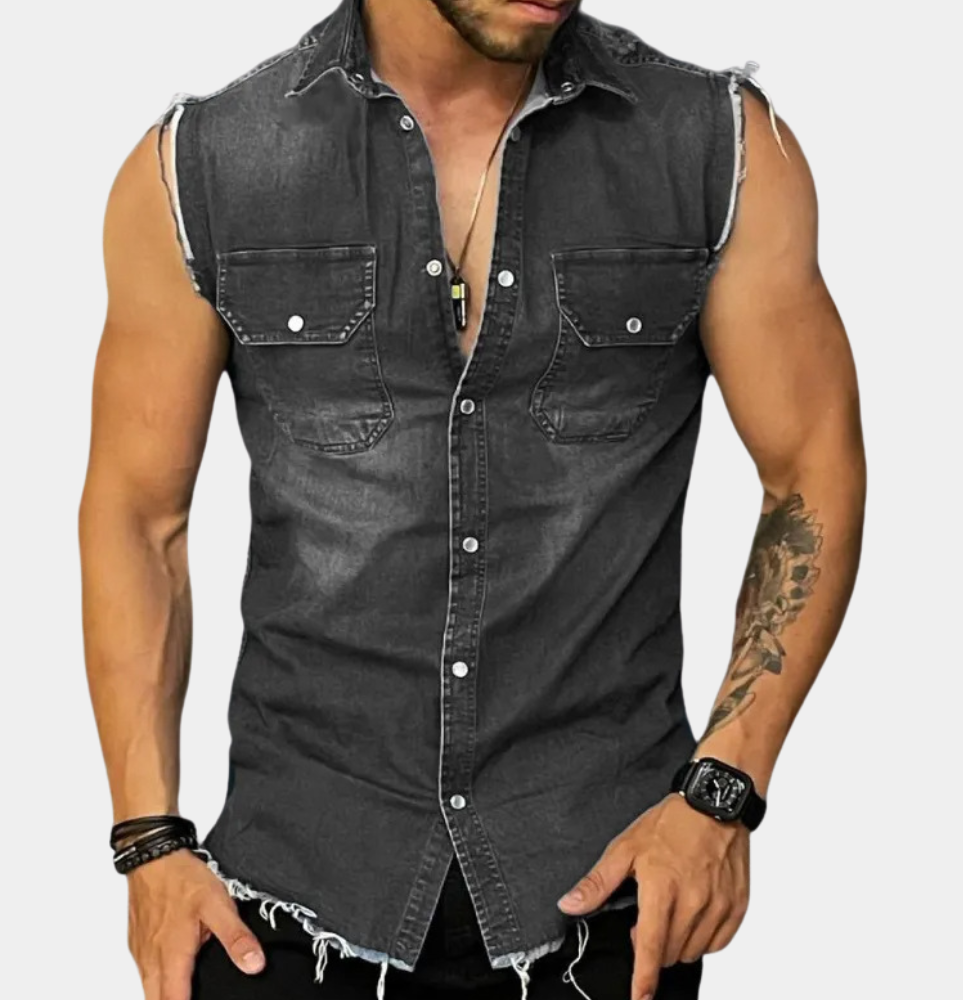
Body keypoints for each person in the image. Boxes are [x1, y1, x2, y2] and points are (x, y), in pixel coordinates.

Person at [78, 1, 866, 998]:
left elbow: (810, 467)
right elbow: (138, 516)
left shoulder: (716, 149)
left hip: (602, 902)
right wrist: (148, 844)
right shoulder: (204, 168)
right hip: (287, 903)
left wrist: (722, 792)